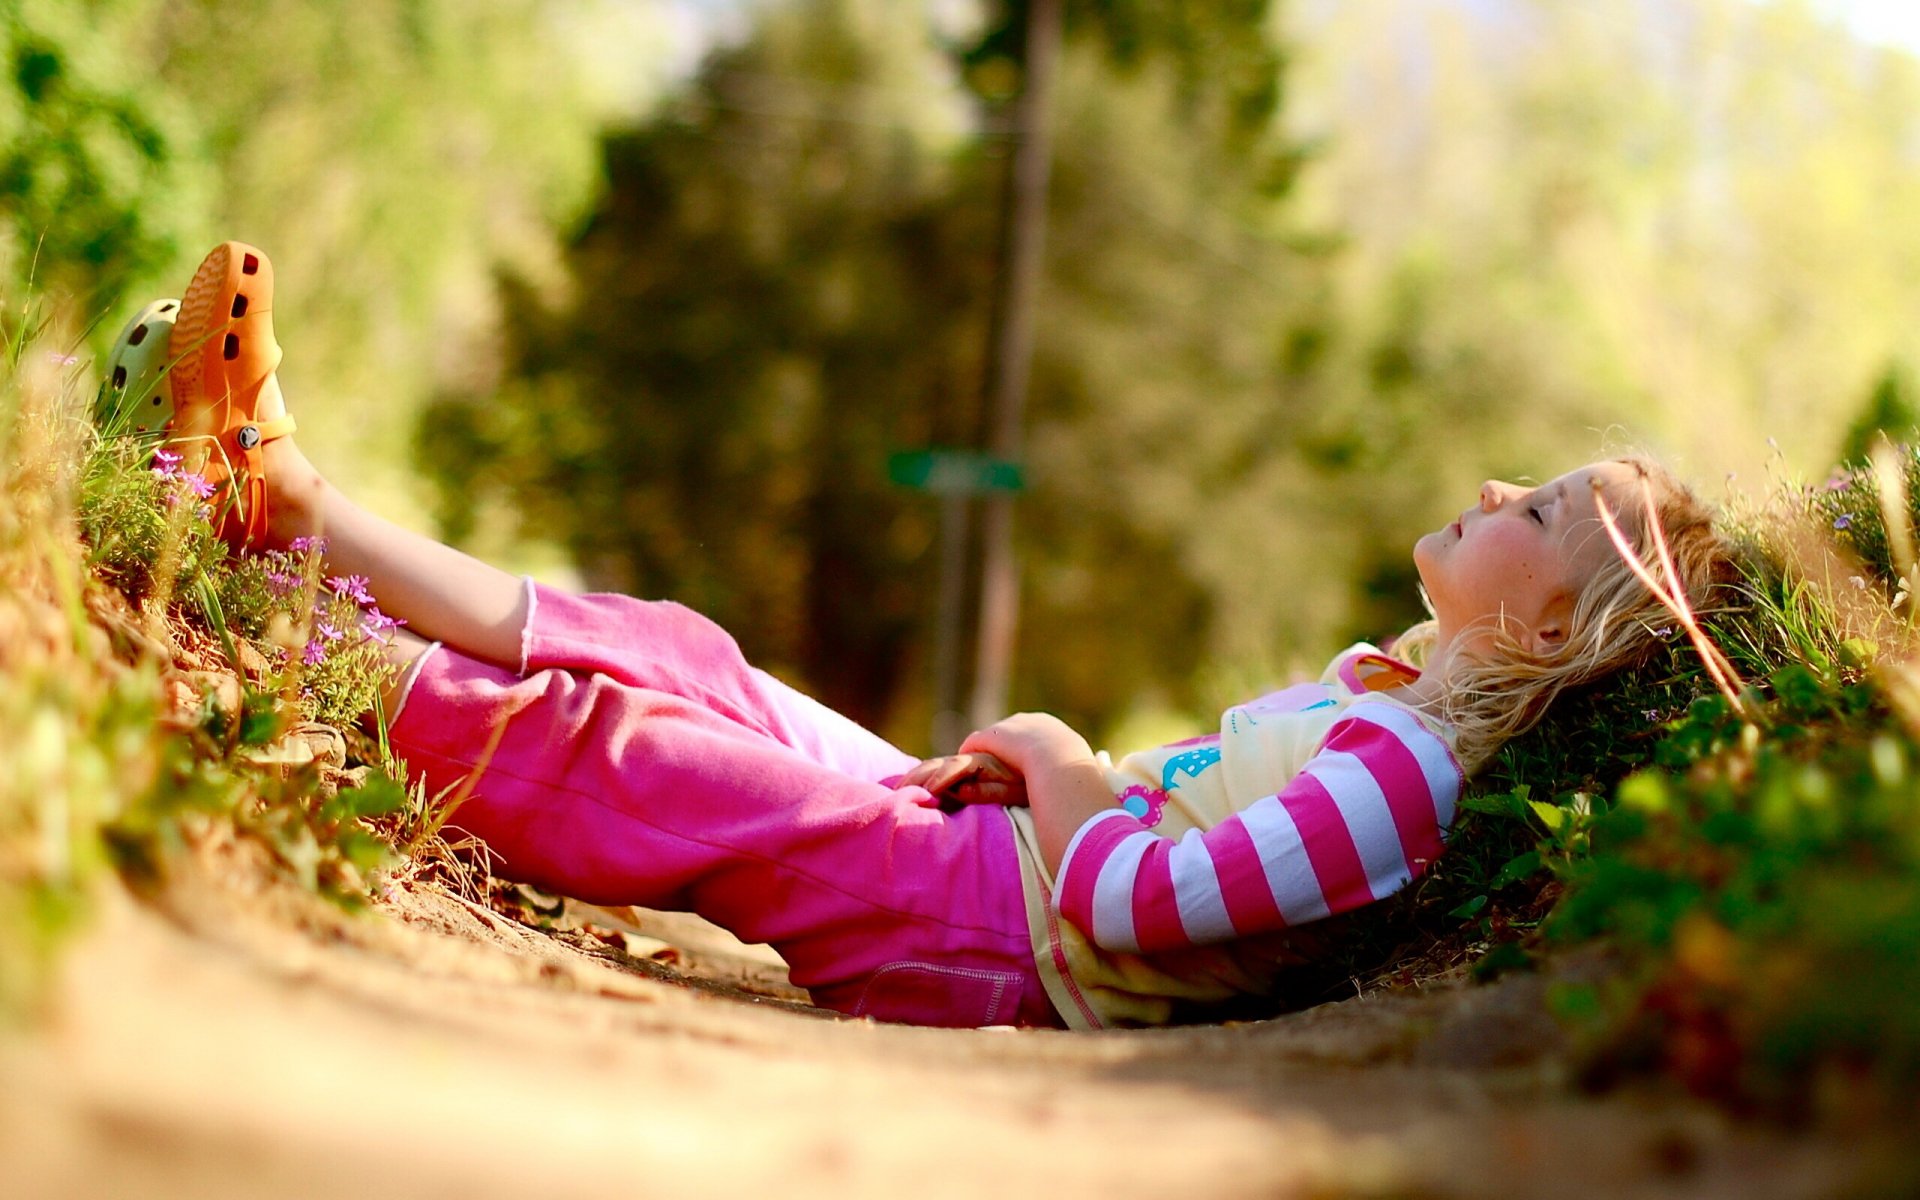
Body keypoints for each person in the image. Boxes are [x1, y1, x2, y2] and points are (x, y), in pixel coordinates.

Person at [105, 243, 1731, 1030]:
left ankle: (289, 638)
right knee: (691, 652)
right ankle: (285, 506)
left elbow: (1137, 902)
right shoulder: (1384, 703)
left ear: (1552, 622)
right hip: (1004, 870)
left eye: (1544, 503)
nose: (1502, 482)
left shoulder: (1401, 791)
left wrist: (1058, 761)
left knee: (661, 767)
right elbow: (1168, 823)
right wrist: (1050, 777)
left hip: (1005, 945)